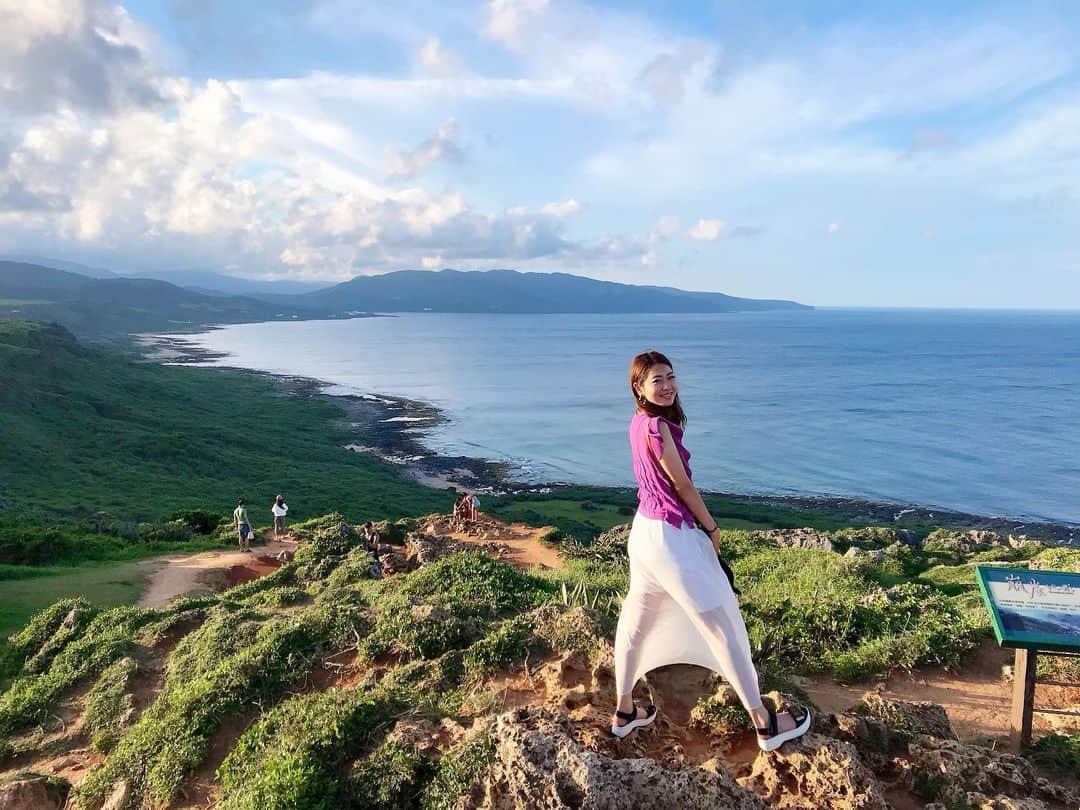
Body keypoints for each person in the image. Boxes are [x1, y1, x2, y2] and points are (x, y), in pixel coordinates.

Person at [611, 350, 812, 752]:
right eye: (656, 380)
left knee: (637, 619)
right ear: (639, 387)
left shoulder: (637, 423)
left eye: (671, 376)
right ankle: (765, 723)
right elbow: (683, 487)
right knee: (723, 625)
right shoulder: (657, 428)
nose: (667, 385)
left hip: (644, 533)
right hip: (670, 538)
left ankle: (624, 710)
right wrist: (712, 527)